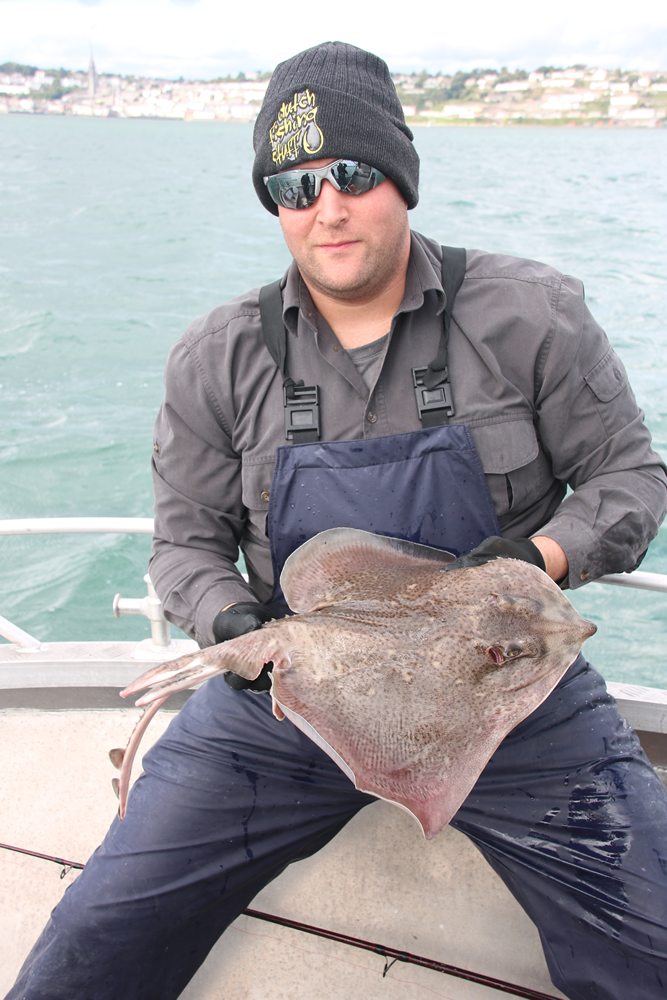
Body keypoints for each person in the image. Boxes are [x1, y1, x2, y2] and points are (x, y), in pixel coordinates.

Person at [9, 40, 667, 1000]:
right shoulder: (217, 357)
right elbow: (186, 543)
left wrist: (535, 556)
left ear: (399, 180)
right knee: (100, 929)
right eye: (294, 184)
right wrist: (238, 627)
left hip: (508, 684)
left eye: (352, 174)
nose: (327, 207)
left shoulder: (531, 316)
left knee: (648, 942)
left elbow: (631, 477)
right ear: (274, 202)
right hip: (292, 698)